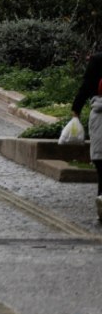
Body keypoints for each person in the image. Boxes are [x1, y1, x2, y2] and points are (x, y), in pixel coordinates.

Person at [70, 50, 102, 222]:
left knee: (100, 161)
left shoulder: (98, 60)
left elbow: (87, 85)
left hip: (99, 114)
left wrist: (76, 109)